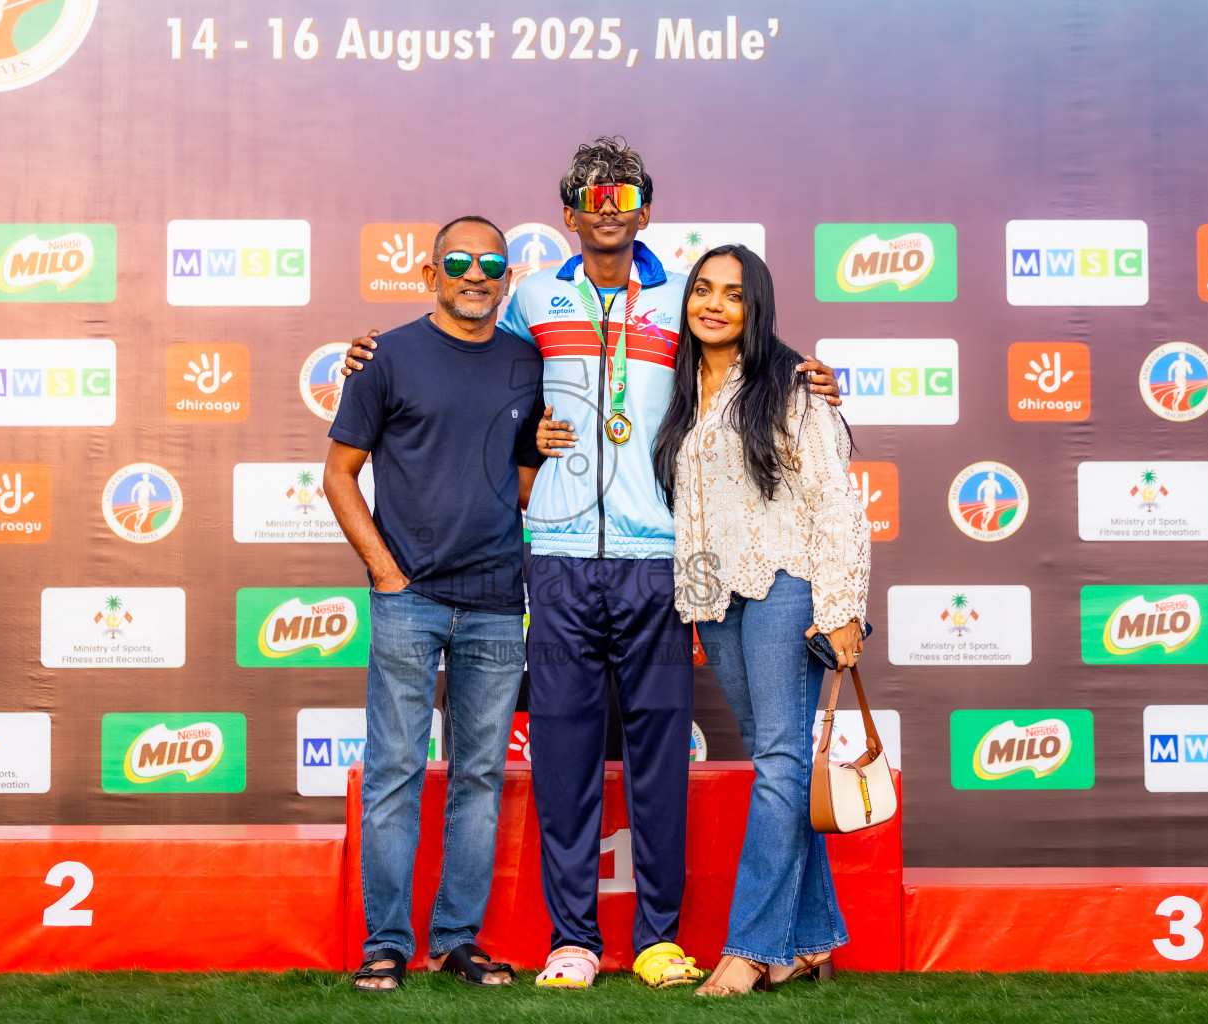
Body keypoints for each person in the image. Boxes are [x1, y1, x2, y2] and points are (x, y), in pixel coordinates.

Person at [346, 137, 841, 990]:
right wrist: (368, 354)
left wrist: (809, 371)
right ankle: (572, 938)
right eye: (591, 198)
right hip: (559, 559)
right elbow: (454, 342)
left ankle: (657, 937)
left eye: (625, 198)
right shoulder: (529, 294)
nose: (608, 211)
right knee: (565, 758)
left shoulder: (681, 293)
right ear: (569, 211)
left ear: (645, 209)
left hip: (662, 560)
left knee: (659, 761)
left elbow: (745, 340)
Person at [323, 215, 544, 992]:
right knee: (393, 773)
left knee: (480, 776)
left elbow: (523, 480)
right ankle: (386, 943)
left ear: (508, 277)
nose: (475, 273)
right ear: (429, 273)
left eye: (491, 262)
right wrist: (385, 572)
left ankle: (457, 940)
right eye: (458, 261)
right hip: (407, 600)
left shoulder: (529, 361)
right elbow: (339, 474)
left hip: (495, 602)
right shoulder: (386, 356)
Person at [649, 244, 870, 996]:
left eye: (733, 294)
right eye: (702, 289)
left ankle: (749, 949)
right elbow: (697, 514)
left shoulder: (791, 385)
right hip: (717, 598)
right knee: (780, 766)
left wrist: (842, 609)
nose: (713, 303)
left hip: (787, 587)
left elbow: (836, 503)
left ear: (757, 306)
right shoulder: (684, 388)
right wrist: (697, 600)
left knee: (778, 766)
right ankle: (811, 938)